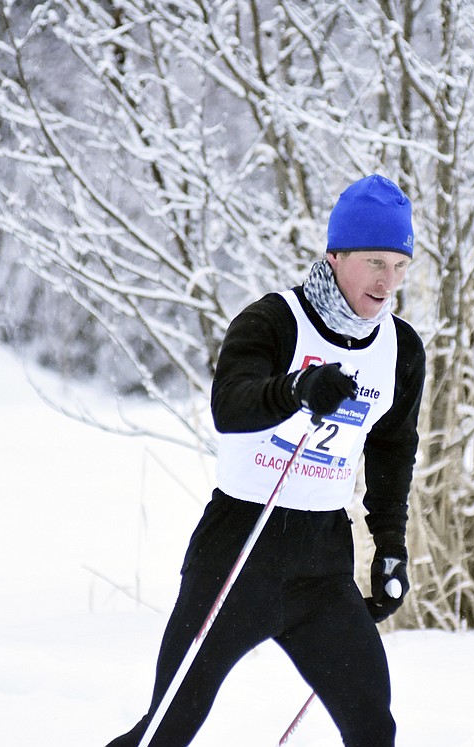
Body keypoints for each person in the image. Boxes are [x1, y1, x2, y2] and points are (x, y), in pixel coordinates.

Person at [105, 174, 425, 747]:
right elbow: (230, 405)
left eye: (400, 265)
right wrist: (297, 389)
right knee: (166, 730)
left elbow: (392, 449)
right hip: (237, 552)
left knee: (375, 730)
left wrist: (391, 547)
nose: (389, 280)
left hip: (322, 566)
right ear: (336, 256)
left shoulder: (400, 348)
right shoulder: (274, 321)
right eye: (376, 262)